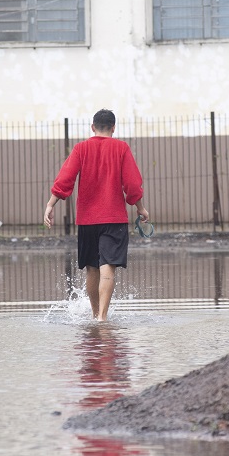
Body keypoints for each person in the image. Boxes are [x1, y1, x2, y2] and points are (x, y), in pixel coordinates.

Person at [44, 109, 148, 321]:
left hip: (87, 219)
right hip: (114, 218)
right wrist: (140, 207)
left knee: (92, 268)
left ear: (93, 127)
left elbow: (66, 178)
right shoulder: (121, 148)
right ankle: (102, 317)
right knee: (107, 266)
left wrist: (50, 204)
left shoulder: (81, 148)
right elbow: (132, 183)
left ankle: (94, 315)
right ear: (113, 128)